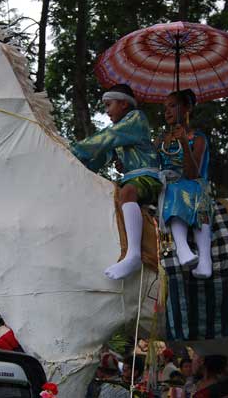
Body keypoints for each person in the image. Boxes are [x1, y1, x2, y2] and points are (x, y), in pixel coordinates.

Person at [71, 83, 161, 280]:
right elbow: (101, 158)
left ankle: (134, 254)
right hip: (130, 180)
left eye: (108, 105)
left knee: (127, 192)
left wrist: (73, 151)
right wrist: (76, 167)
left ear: (124, 104)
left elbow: (108, 138)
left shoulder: (135, 119)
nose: (106, 111)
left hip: (148, 178)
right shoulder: (120, 133)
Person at [157, 89, 212, 278]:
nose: (167, 112)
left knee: (191, 192)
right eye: (165, 108)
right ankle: (182, 248)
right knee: (170, 187)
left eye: (173, 106)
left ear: (187, 108)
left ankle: (205, 260)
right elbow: (151, 163)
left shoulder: (198, 138)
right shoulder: (161, 140)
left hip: (191, 183)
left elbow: (192, 173)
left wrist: (184, 143)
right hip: (167, 182)